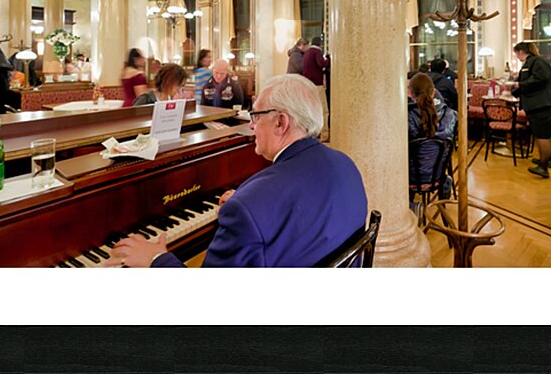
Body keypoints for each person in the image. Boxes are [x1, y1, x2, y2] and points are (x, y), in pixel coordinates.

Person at [107, 74, 368, 267]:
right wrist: (251, 206)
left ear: (281, 122)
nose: (252, 126)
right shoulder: (345, 164)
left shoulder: (248, 207)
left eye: (256, 116)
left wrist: (155, 259)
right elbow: (300, 209)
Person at [511, 42, 551, 179]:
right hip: (547, 103)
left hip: (543, 104)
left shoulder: (536, 62)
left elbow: (539, 79)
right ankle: (547, 159)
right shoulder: (534, 62)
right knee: (548, 134)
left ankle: (543, 166)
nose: (516, 56)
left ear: (521, 52)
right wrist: (517, 89)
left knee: (543, 135)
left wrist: (519, 84)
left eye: (516, 53)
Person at [407, 73, 458, 198]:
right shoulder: (451, 115)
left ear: (410, 94)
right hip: (439, 176)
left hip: (411, 178)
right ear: (434, 91)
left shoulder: (408, 117)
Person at [302, 36, 330, 142]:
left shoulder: (306, 53)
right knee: (324, 110)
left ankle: (314, 134)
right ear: (320, 45)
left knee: (312, 111)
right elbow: (322, 64)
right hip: (317, 85)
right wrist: (329, 59)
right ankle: (324, 135)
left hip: (308, 85)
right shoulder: (316, 52)